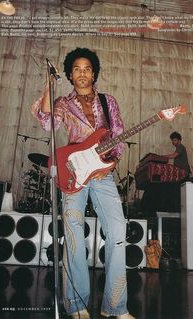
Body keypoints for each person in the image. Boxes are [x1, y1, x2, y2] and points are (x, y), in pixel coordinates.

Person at [32, 48, 135, 319]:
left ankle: (115, 306)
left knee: (118, 231)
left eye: (87, 68)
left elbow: (119, 136)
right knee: (74, 235)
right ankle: (77, 305)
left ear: (94, 73)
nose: (82, 73)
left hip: (102, 174)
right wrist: (48, 83)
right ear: (69, 74)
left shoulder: (107, 101)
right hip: (74, 173)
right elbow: (46, 123)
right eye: (76, 68)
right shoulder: (64, 103)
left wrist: (109, 163)